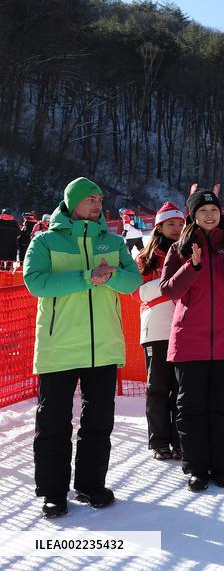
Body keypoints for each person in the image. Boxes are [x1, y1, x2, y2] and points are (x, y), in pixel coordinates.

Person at [23, 177, 141, 518]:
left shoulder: (114, 243)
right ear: (71, 202)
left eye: (100, 199)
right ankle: (52, 493)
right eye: (90, 198)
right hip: (58, 348)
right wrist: (86, 277)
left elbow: (132, 281)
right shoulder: (44, 241)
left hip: (103, 347)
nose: (97, 203)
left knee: (98, 423)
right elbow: (36, 283)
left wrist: (111, 276)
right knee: (53, 424)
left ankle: (91, 486)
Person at [160, 190, 224, 491]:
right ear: (193, 216)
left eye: (214, 209)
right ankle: (196, 468)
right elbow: (168, 290)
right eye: (203, 211)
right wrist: (193, 266)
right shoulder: (180, 248)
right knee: (190, 407)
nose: (210, 215)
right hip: (190, 341)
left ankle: (222, 465)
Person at [134, 202, 186, 460]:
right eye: (171, 224)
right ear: (159, 227)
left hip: (186, 329)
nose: (176, 228)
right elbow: (140, 292)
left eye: (180, 224)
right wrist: (171, 283)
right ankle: (159, 441)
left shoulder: (189, 253)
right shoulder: (146, 258)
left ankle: (180, 440)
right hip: (155, 328)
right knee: (157, 388)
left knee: (181, 389)